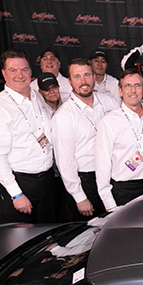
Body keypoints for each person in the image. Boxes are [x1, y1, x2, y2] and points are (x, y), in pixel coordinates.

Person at [0, 50, 57, 223]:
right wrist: (16, 194)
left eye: (24, 69)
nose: (20, 75)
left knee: (48, 237)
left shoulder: (37, 96)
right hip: (19, 183)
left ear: (31, 72)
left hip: (46, 181)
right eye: (13, 70)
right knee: (20, 241)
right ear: (3, 73)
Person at [52, 58, 119, 220]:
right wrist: (79, 197)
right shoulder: (64, 116)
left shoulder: (109, 102)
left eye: (87, 75)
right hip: (86, 180)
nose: (83, 81)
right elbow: (65, 162)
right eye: (77, 77)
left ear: (94, 77)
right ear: (69, 81)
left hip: (113, 176)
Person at [94, 70, 143, 212]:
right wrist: (110, 205)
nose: (133, 90)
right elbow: (102, 165)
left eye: (137, 85)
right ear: (120, 91)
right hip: (125, 190)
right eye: (128, 86)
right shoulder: (109, 122)